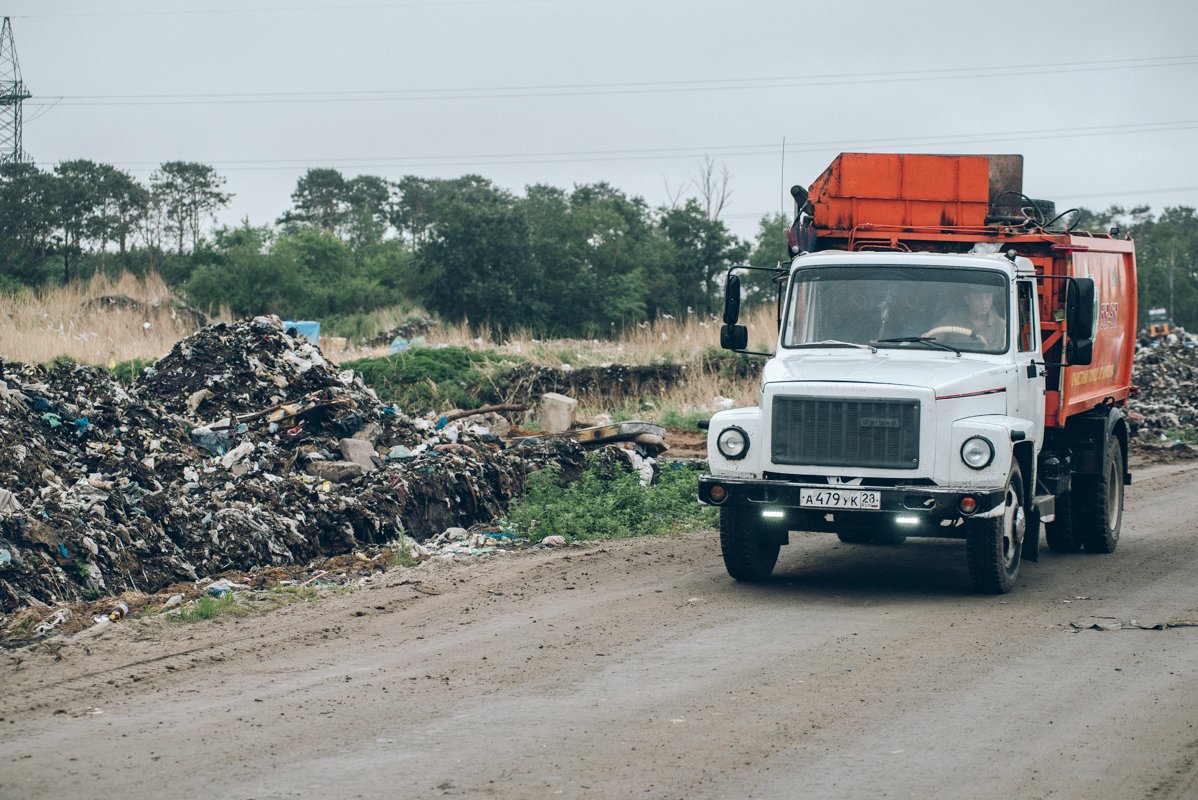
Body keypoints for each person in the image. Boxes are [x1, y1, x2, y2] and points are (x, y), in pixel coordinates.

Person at [932, 285, 1006, 349]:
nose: (984, 302)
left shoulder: (1001, 325)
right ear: (967, 299)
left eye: (988, 297)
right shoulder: (951, 320)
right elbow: (931, 343)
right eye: (978, 297)